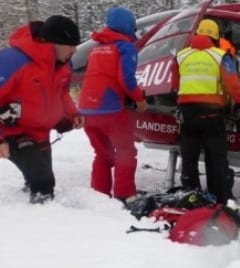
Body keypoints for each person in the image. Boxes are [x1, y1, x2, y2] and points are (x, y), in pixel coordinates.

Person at [0, 15, 83, 204]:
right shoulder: (13, 61)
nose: (75, 50)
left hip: (40, 132)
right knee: (43, 181)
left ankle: (34, 208)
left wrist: (72, 114)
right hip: (12, 130)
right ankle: (42, 223)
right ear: (55, 43)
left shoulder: (63, 65)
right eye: (71, 45)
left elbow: (62, 94)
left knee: (41, 178)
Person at [78, 6, 149, 204]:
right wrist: (139, 99)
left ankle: (99, 196)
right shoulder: (125, 47)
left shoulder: (96, 49)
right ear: (129, 26)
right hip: (111, 110)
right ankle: (125, 195)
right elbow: (126, 79)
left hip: (87, 110)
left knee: (102, 154)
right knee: (125, 152)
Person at [172, 19, 240, 204]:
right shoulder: (221, 56)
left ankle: (191, 197)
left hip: (188, 115)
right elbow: (233, 85)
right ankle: (220, 199)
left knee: (189, 160)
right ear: (216, 37)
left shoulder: (181, 56)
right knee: (216, 160)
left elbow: (175, 84)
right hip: (212, 114)